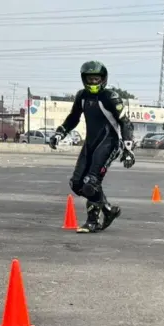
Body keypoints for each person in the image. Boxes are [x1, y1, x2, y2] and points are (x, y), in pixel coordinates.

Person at [48, 61, 136, 233]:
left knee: (91, 183)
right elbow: (73, 118)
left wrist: (128, 148)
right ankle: (108, 210)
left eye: (97, 79)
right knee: (77, 184)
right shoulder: (82, 96)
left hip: (109, 143)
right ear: (83, 79)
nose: (93, 82)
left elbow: (125, 122)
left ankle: (92, 222)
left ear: (103, 79)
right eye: (90, 79)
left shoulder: (110, 97)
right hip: (90, 144)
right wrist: (60, 133)